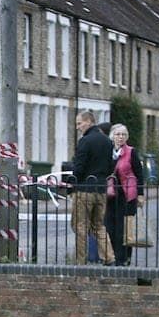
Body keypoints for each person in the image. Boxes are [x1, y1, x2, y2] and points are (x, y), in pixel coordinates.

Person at [71, 110, 115, 265]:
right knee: (98, 226)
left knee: (80, 226)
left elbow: (79, 167)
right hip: (101, 189)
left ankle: (80, 262)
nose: (77, 127)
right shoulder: (107, 141)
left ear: (89, 121)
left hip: (84, 190)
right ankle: (109, 257)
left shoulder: (85, 141)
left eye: (79, 123)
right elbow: (111, 166)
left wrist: (72, 182)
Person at [104, 124, 145, 266]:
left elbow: (139, 174)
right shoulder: (107, 151)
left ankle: (124, 259)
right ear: (112, 136)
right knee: (110, 227)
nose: (120, 137)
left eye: (123, 135)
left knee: (125, 228)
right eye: (117, 134)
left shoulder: (131, 152)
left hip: (127, 195)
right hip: (110, 195)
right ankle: (112, 257)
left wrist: (140, 194)